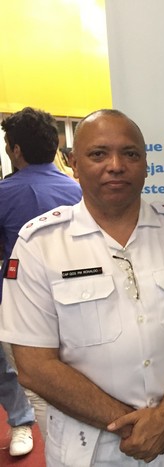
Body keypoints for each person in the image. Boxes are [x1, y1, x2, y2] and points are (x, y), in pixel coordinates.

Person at [0, 109, 164, 466]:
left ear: (146, 165)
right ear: (74, 163)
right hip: (89, 446)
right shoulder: (40, 243)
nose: (116, 166)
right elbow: (34, 364)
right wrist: (131, 425)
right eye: (98, 154)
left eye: (130, 154)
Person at [0, 107, 83, 455]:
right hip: (82, 303)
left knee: (23, 376)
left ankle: (23, 423)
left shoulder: (3, 193)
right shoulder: (81, 191)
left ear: (16, 150)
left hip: (21, 310)